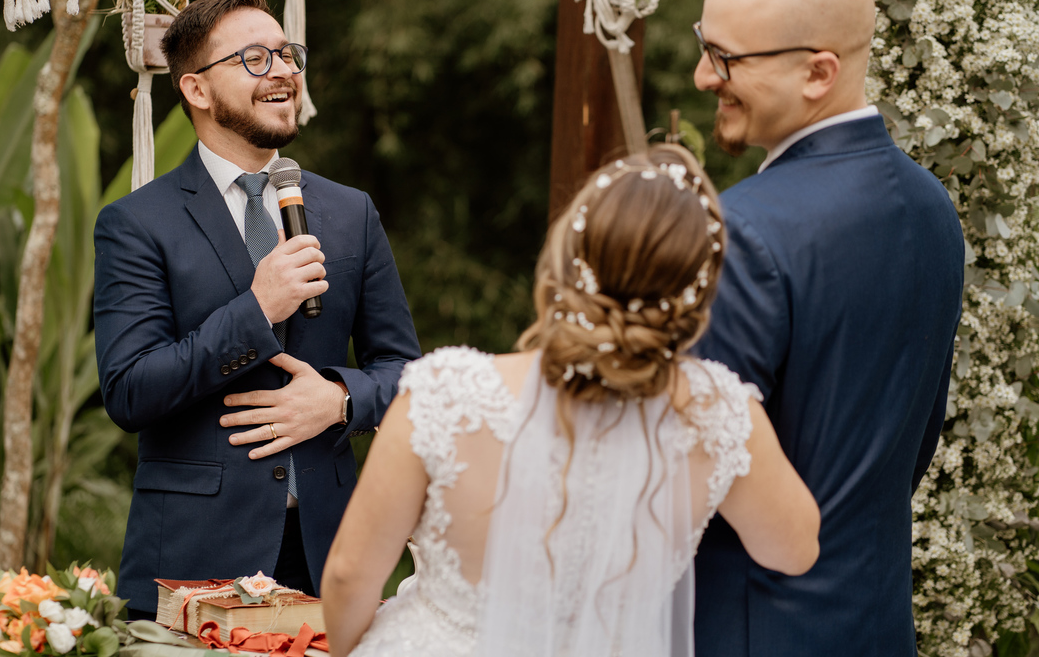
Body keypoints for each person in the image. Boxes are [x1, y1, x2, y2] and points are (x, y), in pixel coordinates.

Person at [320, 145, 820, 657]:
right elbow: (794, 550)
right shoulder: (719, 413)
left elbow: (348, 576)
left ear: (567, 257)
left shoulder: (443, 392)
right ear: (699, 288)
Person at [93, 0, 421, 618]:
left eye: (287, 54)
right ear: (196, 89)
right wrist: (257, 308)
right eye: (254, 59)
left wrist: (340, 399)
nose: (284, 71)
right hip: (195, 557)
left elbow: (407, 373)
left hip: (331, 551)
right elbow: (129, 391)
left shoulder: (349, 213)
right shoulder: (137, 223)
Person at [690, 0, 964, 656]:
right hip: (876, 624)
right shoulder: (932, 206)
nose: (700, 77)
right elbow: (911, 443)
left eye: (725, 59)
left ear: (818, 73)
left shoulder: (739, 231)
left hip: (746, 626)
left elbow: (691, 475)